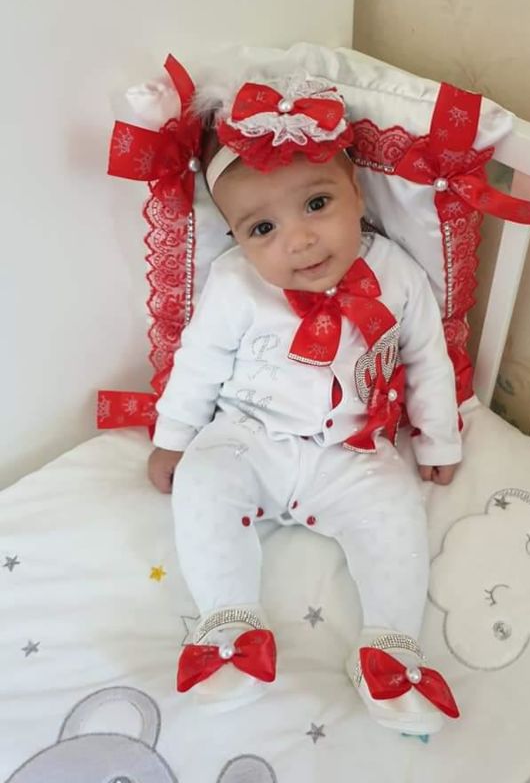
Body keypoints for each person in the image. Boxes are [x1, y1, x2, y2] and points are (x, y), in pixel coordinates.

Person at [148, 74, 461, 733]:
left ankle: (391, 648)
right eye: (263, 227)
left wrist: (437, 438)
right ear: (236, 236)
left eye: (317, 203)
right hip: (249, 436)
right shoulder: (234, 284)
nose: (299, 240)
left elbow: (427, 358)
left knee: (397, 510)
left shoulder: (398, 277)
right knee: (204, 480)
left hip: (352, 451)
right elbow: (198, 363)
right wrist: (173, 438)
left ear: (357, 194)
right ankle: (229, 626)